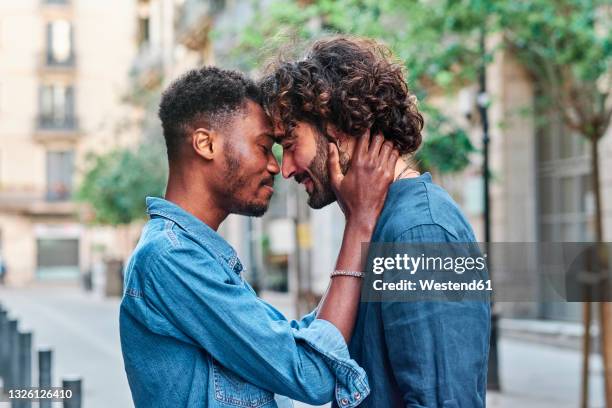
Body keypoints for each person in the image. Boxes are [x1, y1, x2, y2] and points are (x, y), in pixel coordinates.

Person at [119, 66, 399, 407]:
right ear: (206, 143)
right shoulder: (171, 258)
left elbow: (297, 345)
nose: (275, 167)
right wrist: (359, 223)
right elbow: (312, 374)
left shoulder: (195, 254)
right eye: (264, 147)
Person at [260, 36, 491, 407]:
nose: (285, 169)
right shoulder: (375, 221)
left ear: (337, 127)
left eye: (290, 145)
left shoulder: (420, 232)